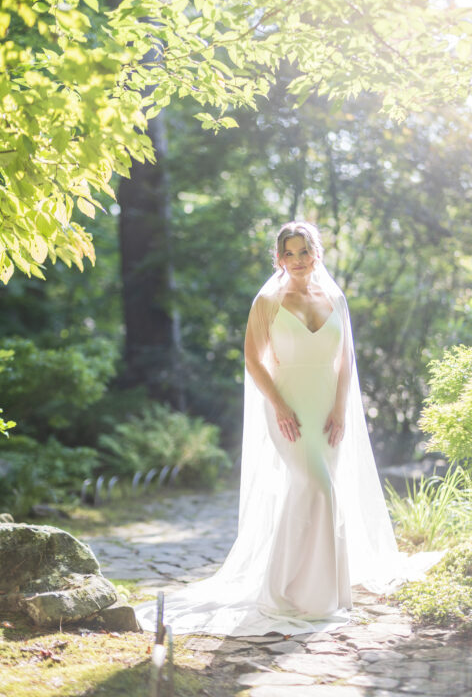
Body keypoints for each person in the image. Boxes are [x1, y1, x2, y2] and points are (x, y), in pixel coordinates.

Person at [135, 220, 442, 636]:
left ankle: (316, 591)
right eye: (289, 253)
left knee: (314, 492)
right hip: (289, 409)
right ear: (278, 258)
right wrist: (279, 405)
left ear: (316, 253)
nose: (297, 260)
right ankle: (285, 592)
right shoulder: (268, 300)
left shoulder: (335, 297)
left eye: (304, 251)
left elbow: (345, 359)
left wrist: (340, 410)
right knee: (317, 487)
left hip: (327, 409)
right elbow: (253, 359)